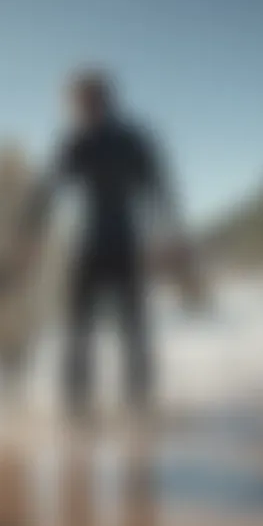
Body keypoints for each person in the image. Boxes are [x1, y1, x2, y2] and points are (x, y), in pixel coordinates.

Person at [28, 70, 184, 419]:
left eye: (80, 101)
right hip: (92, 246)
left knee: (128, 329)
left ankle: (132, 405)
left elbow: (159, 190)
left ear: (100, 100)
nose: (75, 108)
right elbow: (47, 193)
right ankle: (82, 408)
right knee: (83, 330)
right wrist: (32, 235)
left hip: (113, 245)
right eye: (73, 102)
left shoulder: (123, 141)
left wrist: (168, 237)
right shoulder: (81, 142)